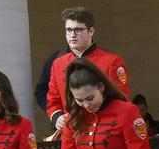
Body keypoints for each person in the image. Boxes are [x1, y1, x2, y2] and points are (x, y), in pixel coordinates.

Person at [45, 7, 131, 137]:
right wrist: (57, 117)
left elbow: (122, 100)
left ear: (91, 31)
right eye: (68, 30)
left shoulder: (112, 61)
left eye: (78, 30)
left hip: (104, 133)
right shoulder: (58, 63)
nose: (72, 34)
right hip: (71, 133)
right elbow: (53, 100)